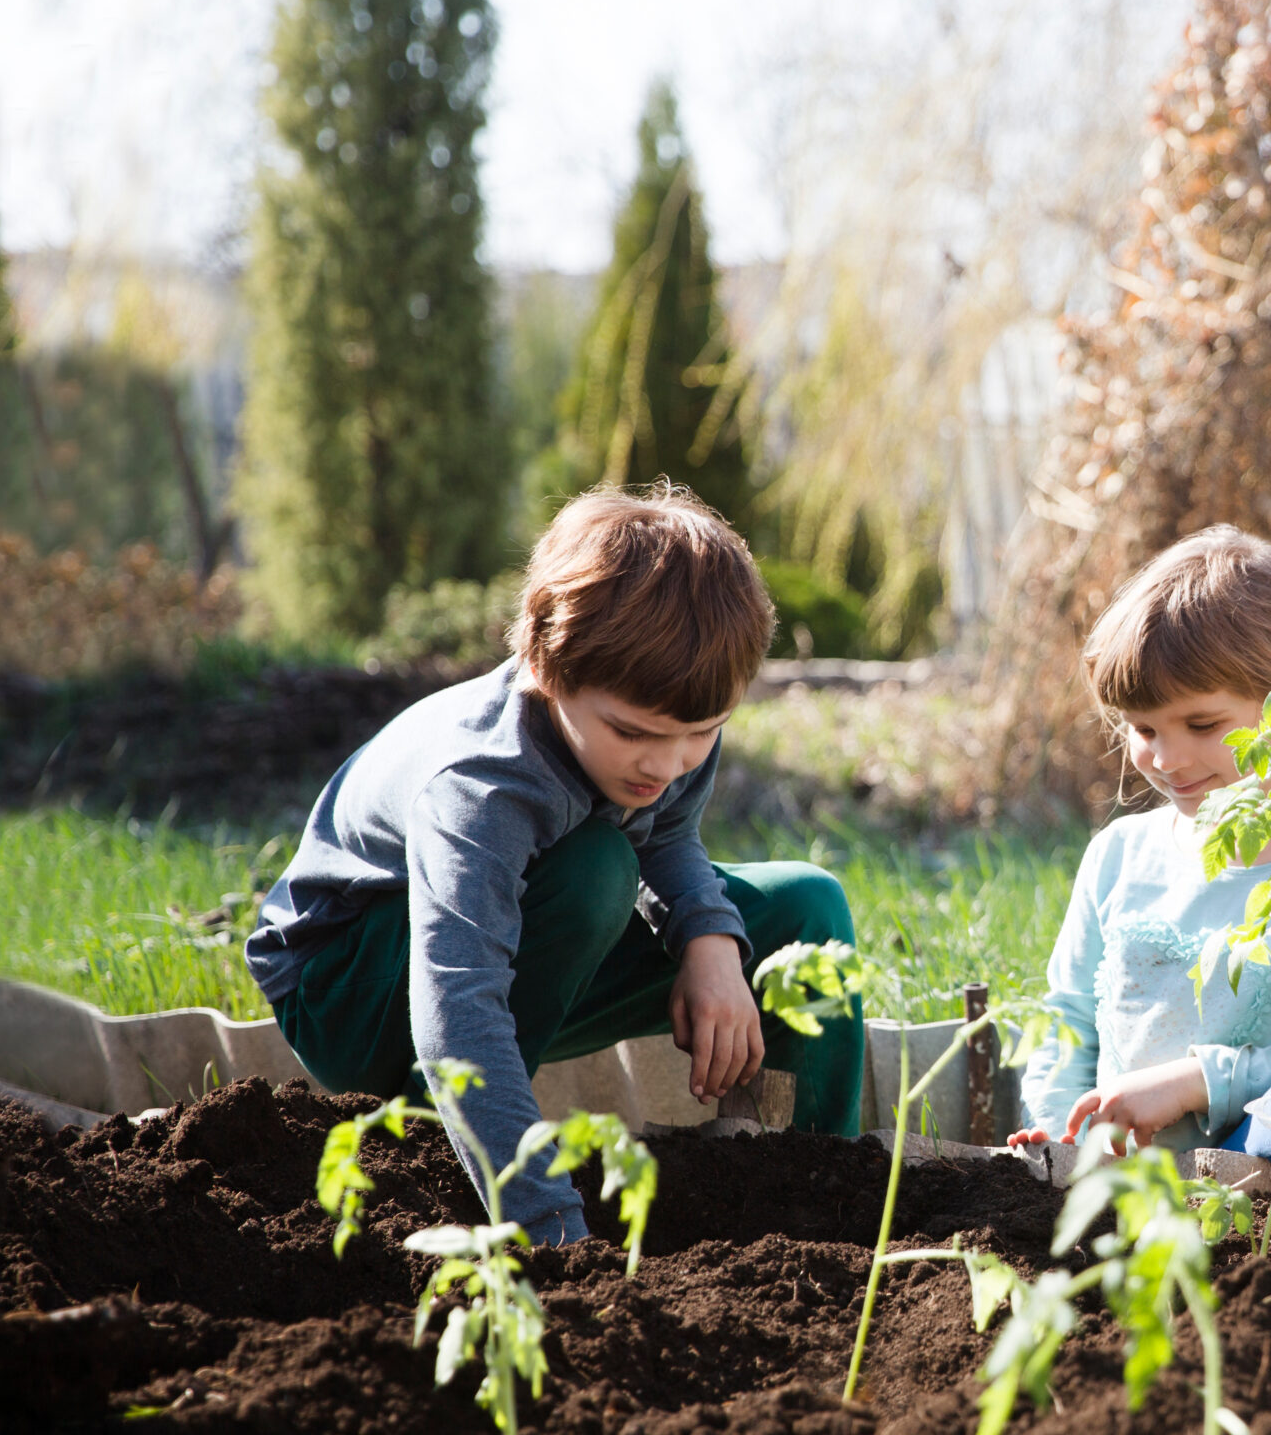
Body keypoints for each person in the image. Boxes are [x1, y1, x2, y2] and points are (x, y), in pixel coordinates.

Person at [246, 483, 864, 1244]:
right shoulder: (481, 785)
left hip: (520, 945)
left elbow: (664, 834)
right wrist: (551, 1229)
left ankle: (828, 1196)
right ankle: (429, 1141)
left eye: (700, 734)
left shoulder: (669, 724)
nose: (667, 764)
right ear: (545, 663)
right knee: (595, 868)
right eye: (634, 733)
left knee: (808, 908)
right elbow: (459, 1011)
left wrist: (709, 941)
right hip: (352, 986)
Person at [1010, 525, 1271, 1152]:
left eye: (1201, 723)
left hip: (1259, 1207)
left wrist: (1198, 1081)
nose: (1168, 758)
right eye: (1144, 729)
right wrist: (1061, 1133)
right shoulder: (1118, 858)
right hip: (1110, 1191)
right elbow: (1068, 1023)